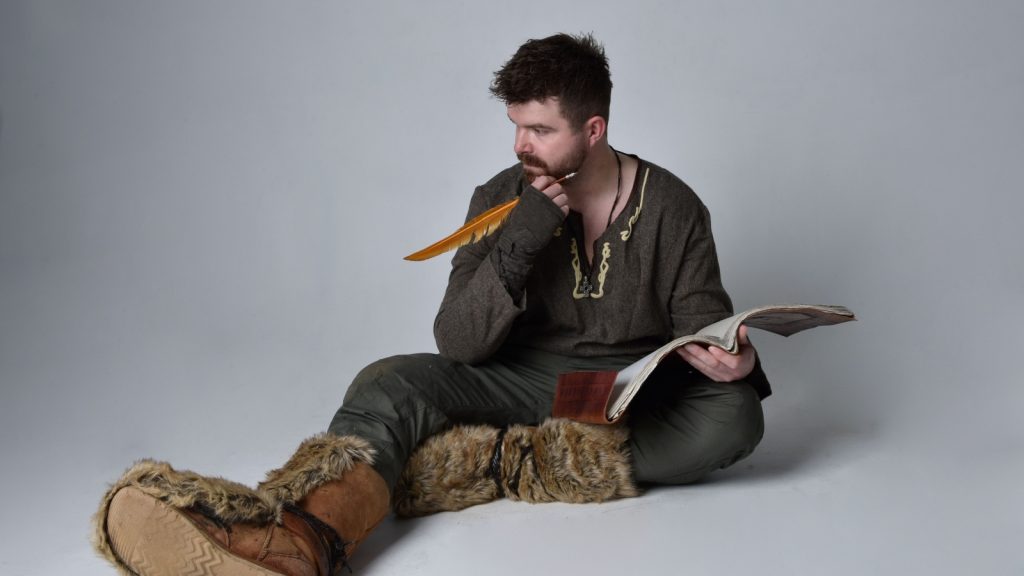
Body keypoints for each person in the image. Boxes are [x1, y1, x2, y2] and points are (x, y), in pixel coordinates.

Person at [93, 33, 770, 576]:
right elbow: (458, 343)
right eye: (515, 126)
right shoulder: (500, 195)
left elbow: (701, 324)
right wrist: (525, 233)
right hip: (515, 378)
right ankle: (295, 543)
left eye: (538, 129)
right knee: (390, 382)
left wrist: (730, 358)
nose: (520, 145)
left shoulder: (674, 207)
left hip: (618, 393)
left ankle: (491, 460)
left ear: (593, 130)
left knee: (735, 417)